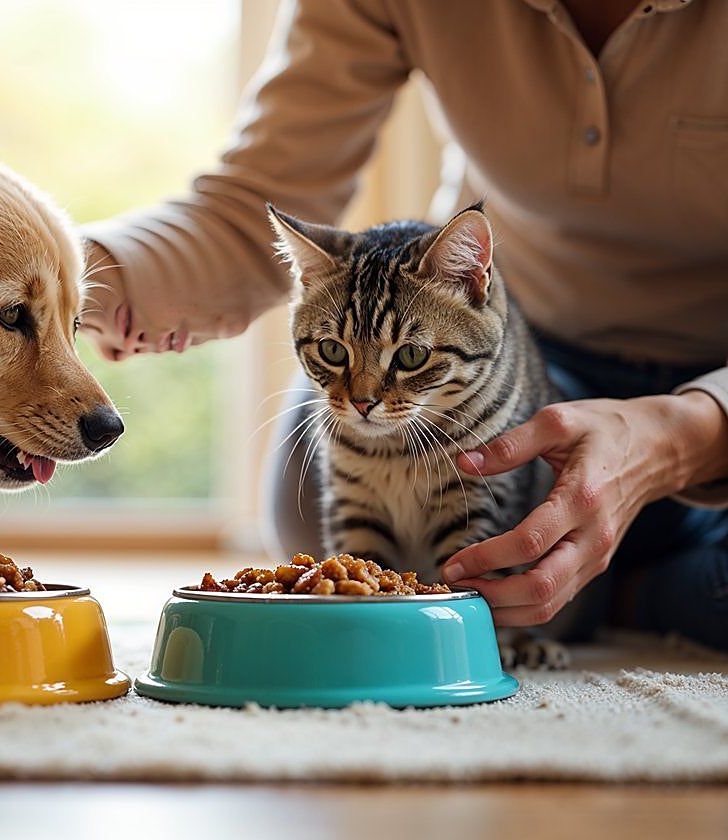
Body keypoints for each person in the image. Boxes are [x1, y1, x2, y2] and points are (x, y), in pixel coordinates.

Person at [77, 0, 728, 651]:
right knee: (309, 512)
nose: (359, 392)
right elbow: (254, 200)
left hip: (708, 373)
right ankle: (599, 589)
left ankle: (625, 593)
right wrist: (70, 276)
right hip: (495, 344)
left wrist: (688, 432)